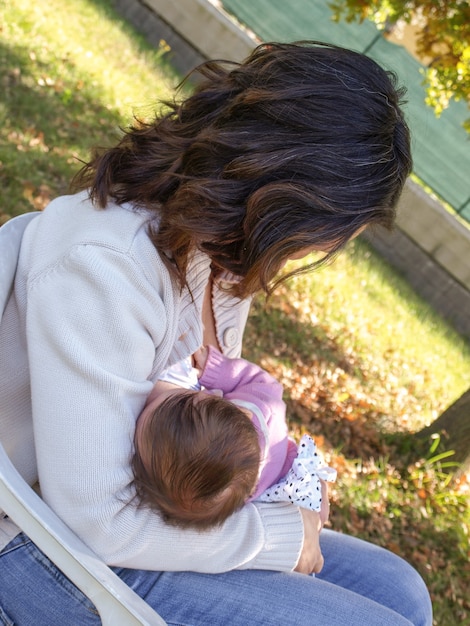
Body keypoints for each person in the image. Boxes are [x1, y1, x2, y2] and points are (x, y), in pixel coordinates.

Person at [0, 41, 432, 625]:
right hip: (36, 535)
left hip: (137, 516)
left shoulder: (217, 262)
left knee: (399, 590)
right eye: (330, 229)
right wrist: (280, 534)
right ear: (289, 195)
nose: (327, 248)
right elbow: (98, 518)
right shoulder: (104, 263)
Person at [132, 346, 335, 530]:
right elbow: (265, 382)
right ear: (212, 397)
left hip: (298, 486)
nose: (151, 398)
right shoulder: (260, 406)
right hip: (292, 490)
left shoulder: (227, 495)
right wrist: (215, 369)